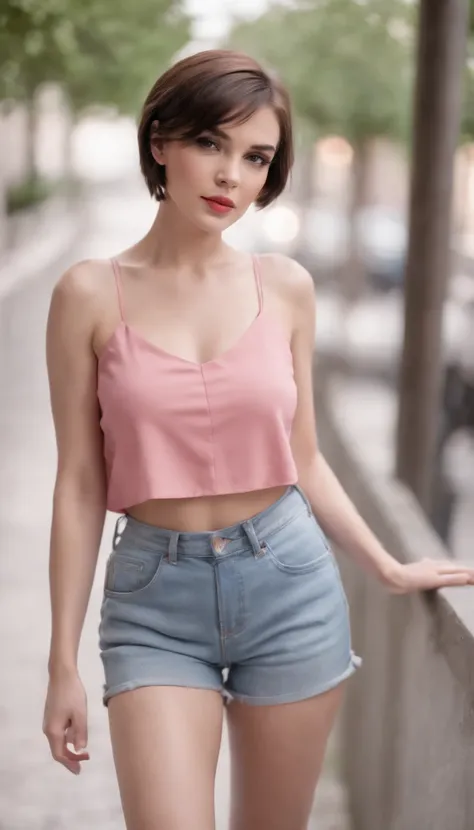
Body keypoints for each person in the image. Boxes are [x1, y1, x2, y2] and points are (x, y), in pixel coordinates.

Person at [42, 49, 474, 830]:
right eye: (211, 143)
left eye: (256, 157)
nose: (230, 177)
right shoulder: (86, 293)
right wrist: (61, 661)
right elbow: (77, 483)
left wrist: (383, 563)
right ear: (160, 141)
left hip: (290, 584)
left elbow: (303, 456)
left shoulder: (286, 287)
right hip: (153, 601)